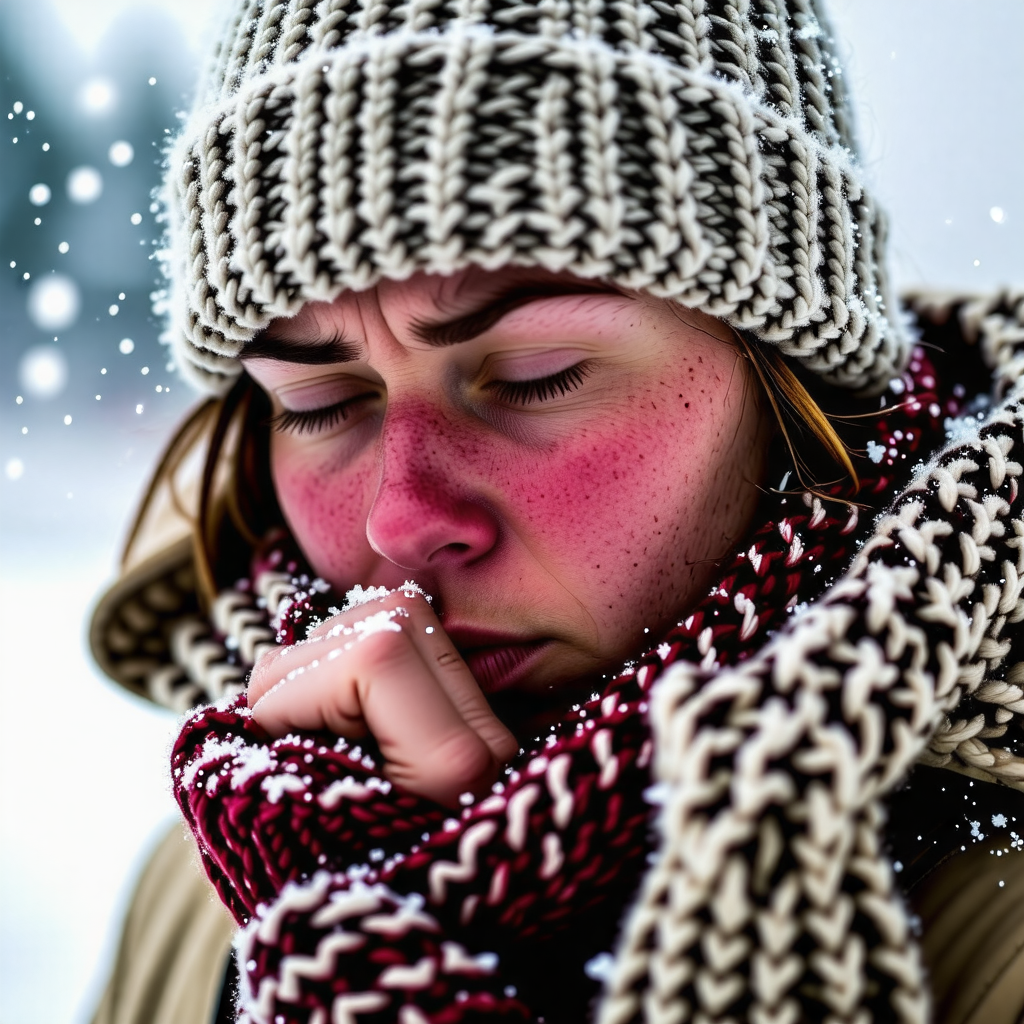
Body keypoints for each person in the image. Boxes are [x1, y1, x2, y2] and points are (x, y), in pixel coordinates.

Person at [88, 1, 1024, 1021]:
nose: (400, 520)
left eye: (537, 375)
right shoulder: (207, 889)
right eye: (319, 403)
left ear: (792, 388)